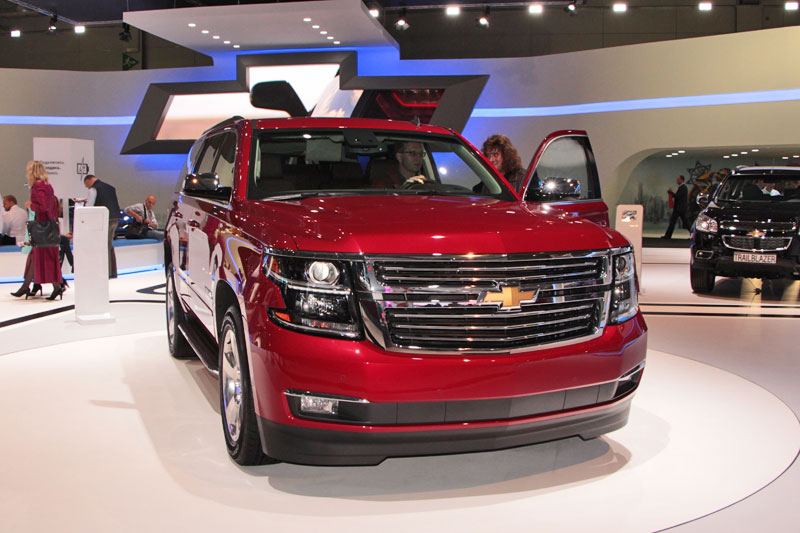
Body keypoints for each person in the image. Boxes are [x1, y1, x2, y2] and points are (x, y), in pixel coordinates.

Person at [12, 161, 65, 300]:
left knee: (40, 256)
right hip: (49, 225)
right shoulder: (47, 185)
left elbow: (43, 207)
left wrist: (31, 205)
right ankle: (27, 286)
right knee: (38, 256)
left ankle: (54, 287)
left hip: (42, 226)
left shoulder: (38, 185)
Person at [80, 174, 121, 278]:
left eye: (86, 185)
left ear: (89, 180)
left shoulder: (94, 189)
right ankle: (112, 272)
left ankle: (106, 272)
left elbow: (89, 206)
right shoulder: (110, 188)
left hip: (104, 219)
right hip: (115, 218)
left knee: (104, 245)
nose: (87, 187)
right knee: (109, 244)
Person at [662, 175, 689, 239]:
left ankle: (668, 236)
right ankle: (667, 236)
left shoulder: (683, 188)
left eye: (678, 179)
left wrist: (670, 193)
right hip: (680, 209)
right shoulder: (682, 187)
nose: (677, 180)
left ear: (682, 180)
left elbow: (677, 196)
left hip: (679, 209)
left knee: (673, 222)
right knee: (685, 223)